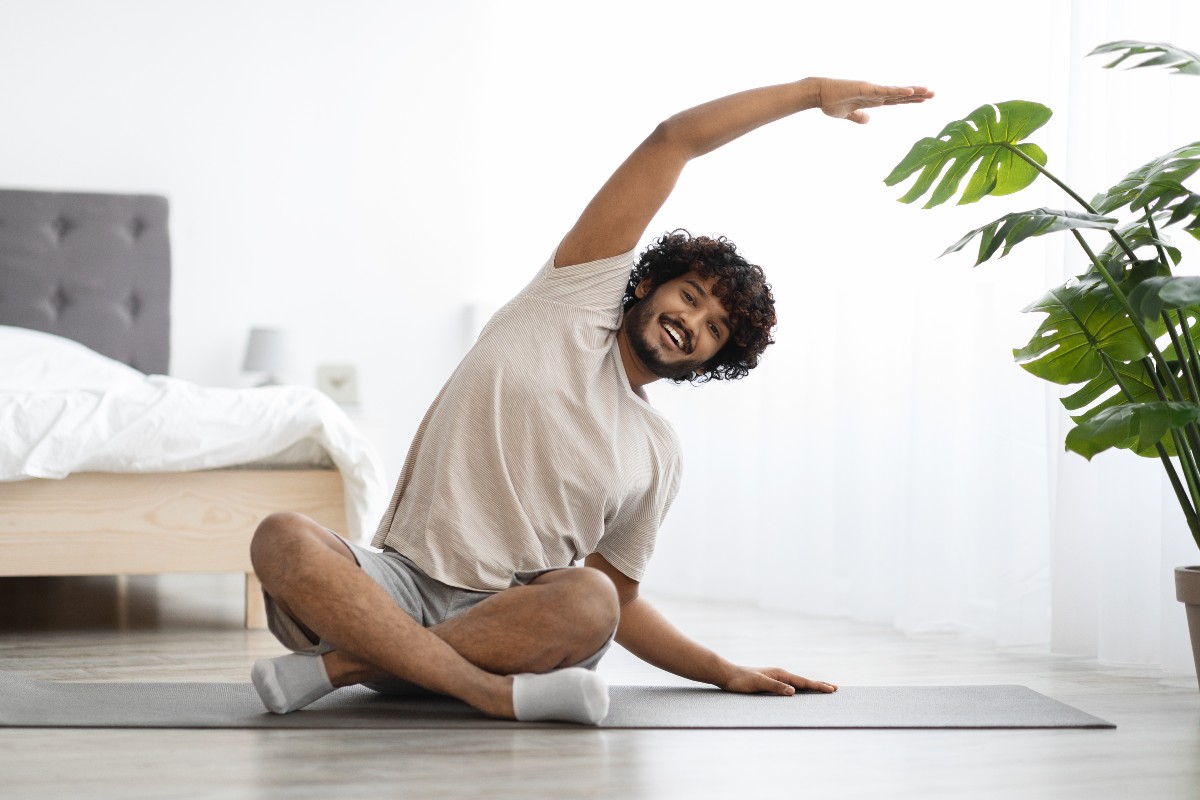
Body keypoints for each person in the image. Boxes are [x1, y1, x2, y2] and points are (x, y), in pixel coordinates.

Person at [248, 76, 933, 724]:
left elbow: (622, 603)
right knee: (281, 536)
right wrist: (812, 93)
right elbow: (674, 141)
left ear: (712, 359)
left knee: (591, 598)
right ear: (647, 285)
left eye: (714, 328)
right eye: (688, 296)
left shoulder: (658, 451)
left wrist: (723, 671)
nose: (691, 321)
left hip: (516, 618)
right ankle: (485, 693)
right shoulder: (570, 300)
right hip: (394, 585)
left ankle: (347, 666)